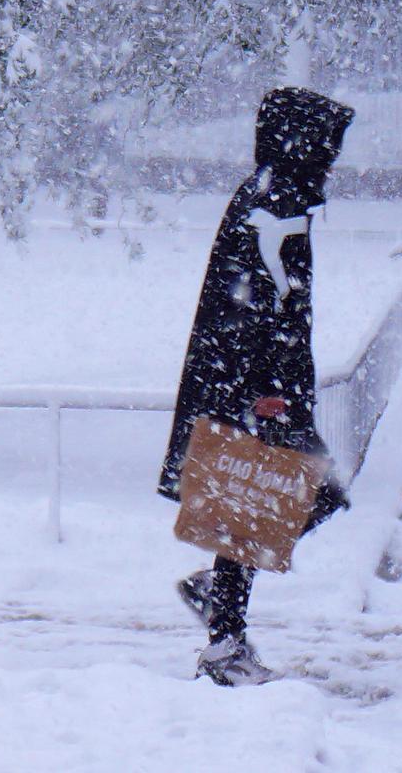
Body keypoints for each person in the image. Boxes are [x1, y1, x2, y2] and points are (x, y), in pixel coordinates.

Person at [160, 84, 354, 685]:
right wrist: (261, 394)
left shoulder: (272, 193)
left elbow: (267, 302)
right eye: (326, 145)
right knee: (257, 508)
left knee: (275, 501)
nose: (331, 158)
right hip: (259, 387)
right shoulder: (276, 202)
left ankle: (219, 599)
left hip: (259, 380)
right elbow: (255, 306)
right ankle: (223, 645)